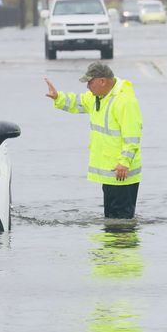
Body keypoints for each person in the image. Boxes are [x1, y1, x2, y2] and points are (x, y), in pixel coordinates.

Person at [45, 62, 143, 219]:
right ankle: (112, 244)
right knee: (112, 220)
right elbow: (78, 102)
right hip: (112, 173)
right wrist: (58, 97)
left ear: (102, 81)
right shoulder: (98, 97)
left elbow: (132, 136)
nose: (87, 87)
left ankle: (123, 244)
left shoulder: (125, 101)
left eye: (90, 82)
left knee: (121, 223)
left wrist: (124, 162)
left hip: (122, 173)